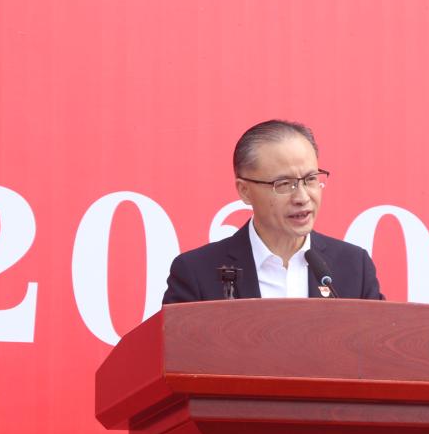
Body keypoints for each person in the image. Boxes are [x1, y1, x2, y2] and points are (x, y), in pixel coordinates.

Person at [162, 119, 384, 303]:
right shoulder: (197, 272)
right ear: (245, 191)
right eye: (284, 184)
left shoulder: (354, 267)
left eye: (310, 179)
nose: (302, 198)